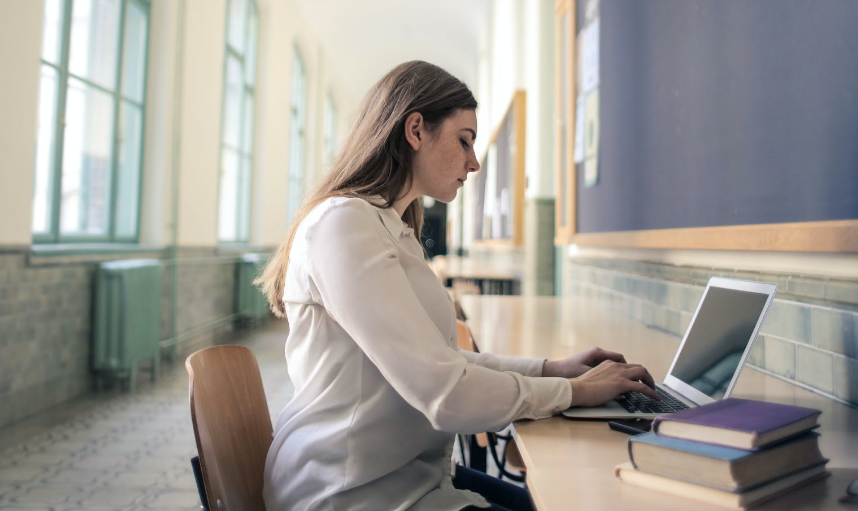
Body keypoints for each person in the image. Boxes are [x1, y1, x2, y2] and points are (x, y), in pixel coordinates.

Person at [256, 60, 659, 511]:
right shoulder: (343, 225)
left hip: (403, 476)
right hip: (347, 492)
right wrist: (575, 393)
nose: (475, 161)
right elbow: (444, 392)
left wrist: (551, 369)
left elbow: (439, 360)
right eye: (463, 141)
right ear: (415, 130)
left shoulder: (390, 229)